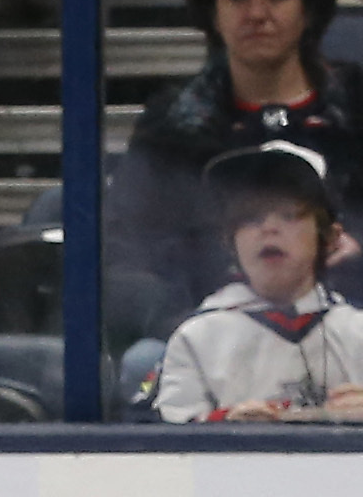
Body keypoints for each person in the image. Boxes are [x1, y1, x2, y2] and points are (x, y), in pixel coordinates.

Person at [110, 0, 363, 370]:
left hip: (353, 341)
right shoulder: (173, 127)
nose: (256, 13)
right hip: (212, 348)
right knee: (145, 364)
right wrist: (196, 328)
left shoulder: (358, 111)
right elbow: (127, 258)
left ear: (308, 7)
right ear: (213, 11)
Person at [153, 144, 363, 425]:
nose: (268, 229)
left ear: (330, 237)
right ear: (230, 242)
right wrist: (224, 422)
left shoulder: (355, 331)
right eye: (250, 218)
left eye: (289, 215)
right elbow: (160, 445)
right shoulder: (198, 337)